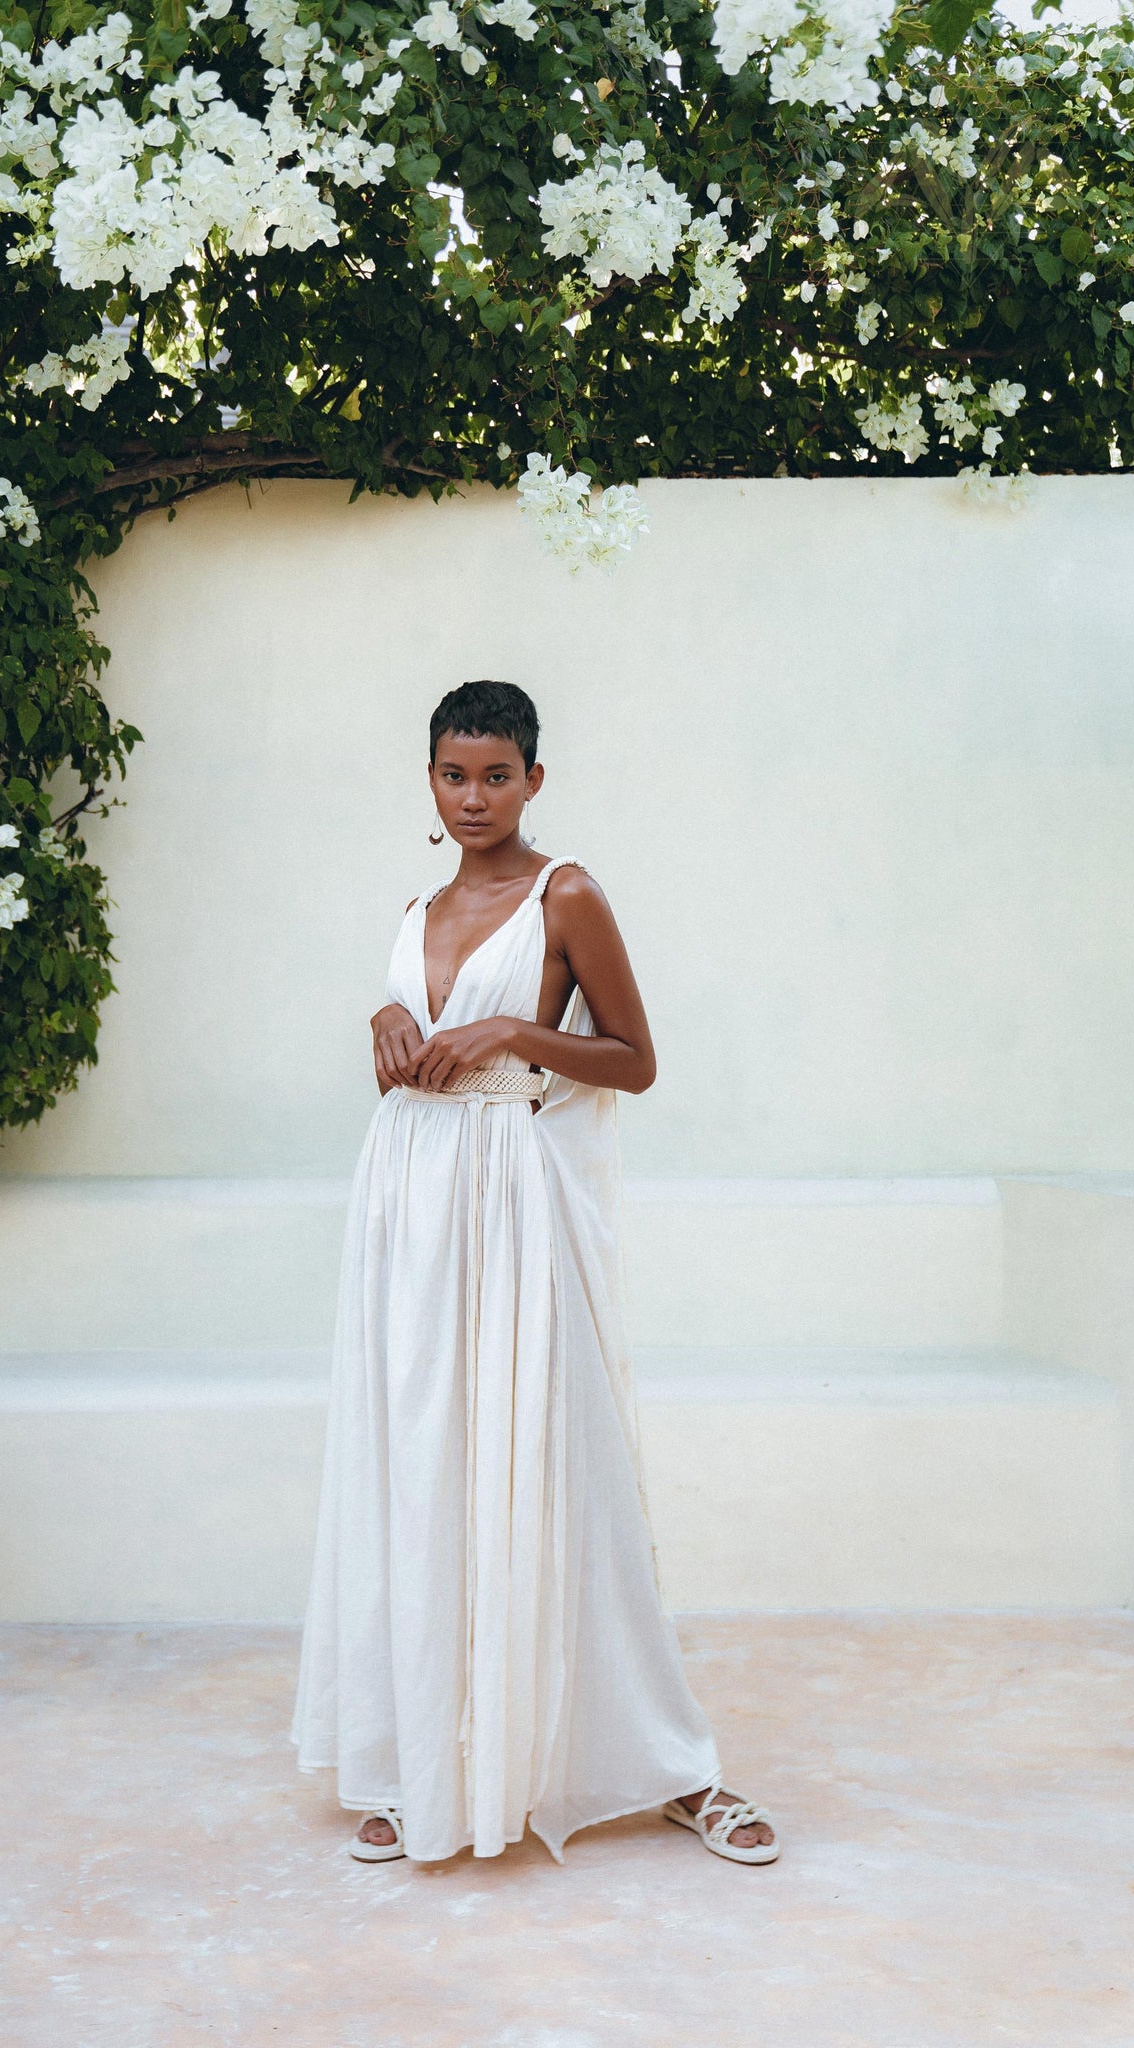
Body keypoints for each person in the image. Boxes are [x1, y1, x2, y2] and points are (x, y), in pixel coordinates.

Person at [291, 680, 778, 1868]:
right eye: (454, 774)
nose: (474, 796)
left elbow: (636, 1059)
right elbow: (417, 1039)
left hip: (516, 1195)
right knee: (420, 1462)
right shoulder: (415, 906)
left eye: (497, 774)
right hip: (409, 1196)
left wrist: (513, 1032)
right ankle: (428, 1757)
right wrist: (382, 1023)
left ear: (534, 780)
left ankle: (670, 1764)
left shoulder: (567, 892)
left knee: (557, 1457)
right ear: (430, 779)